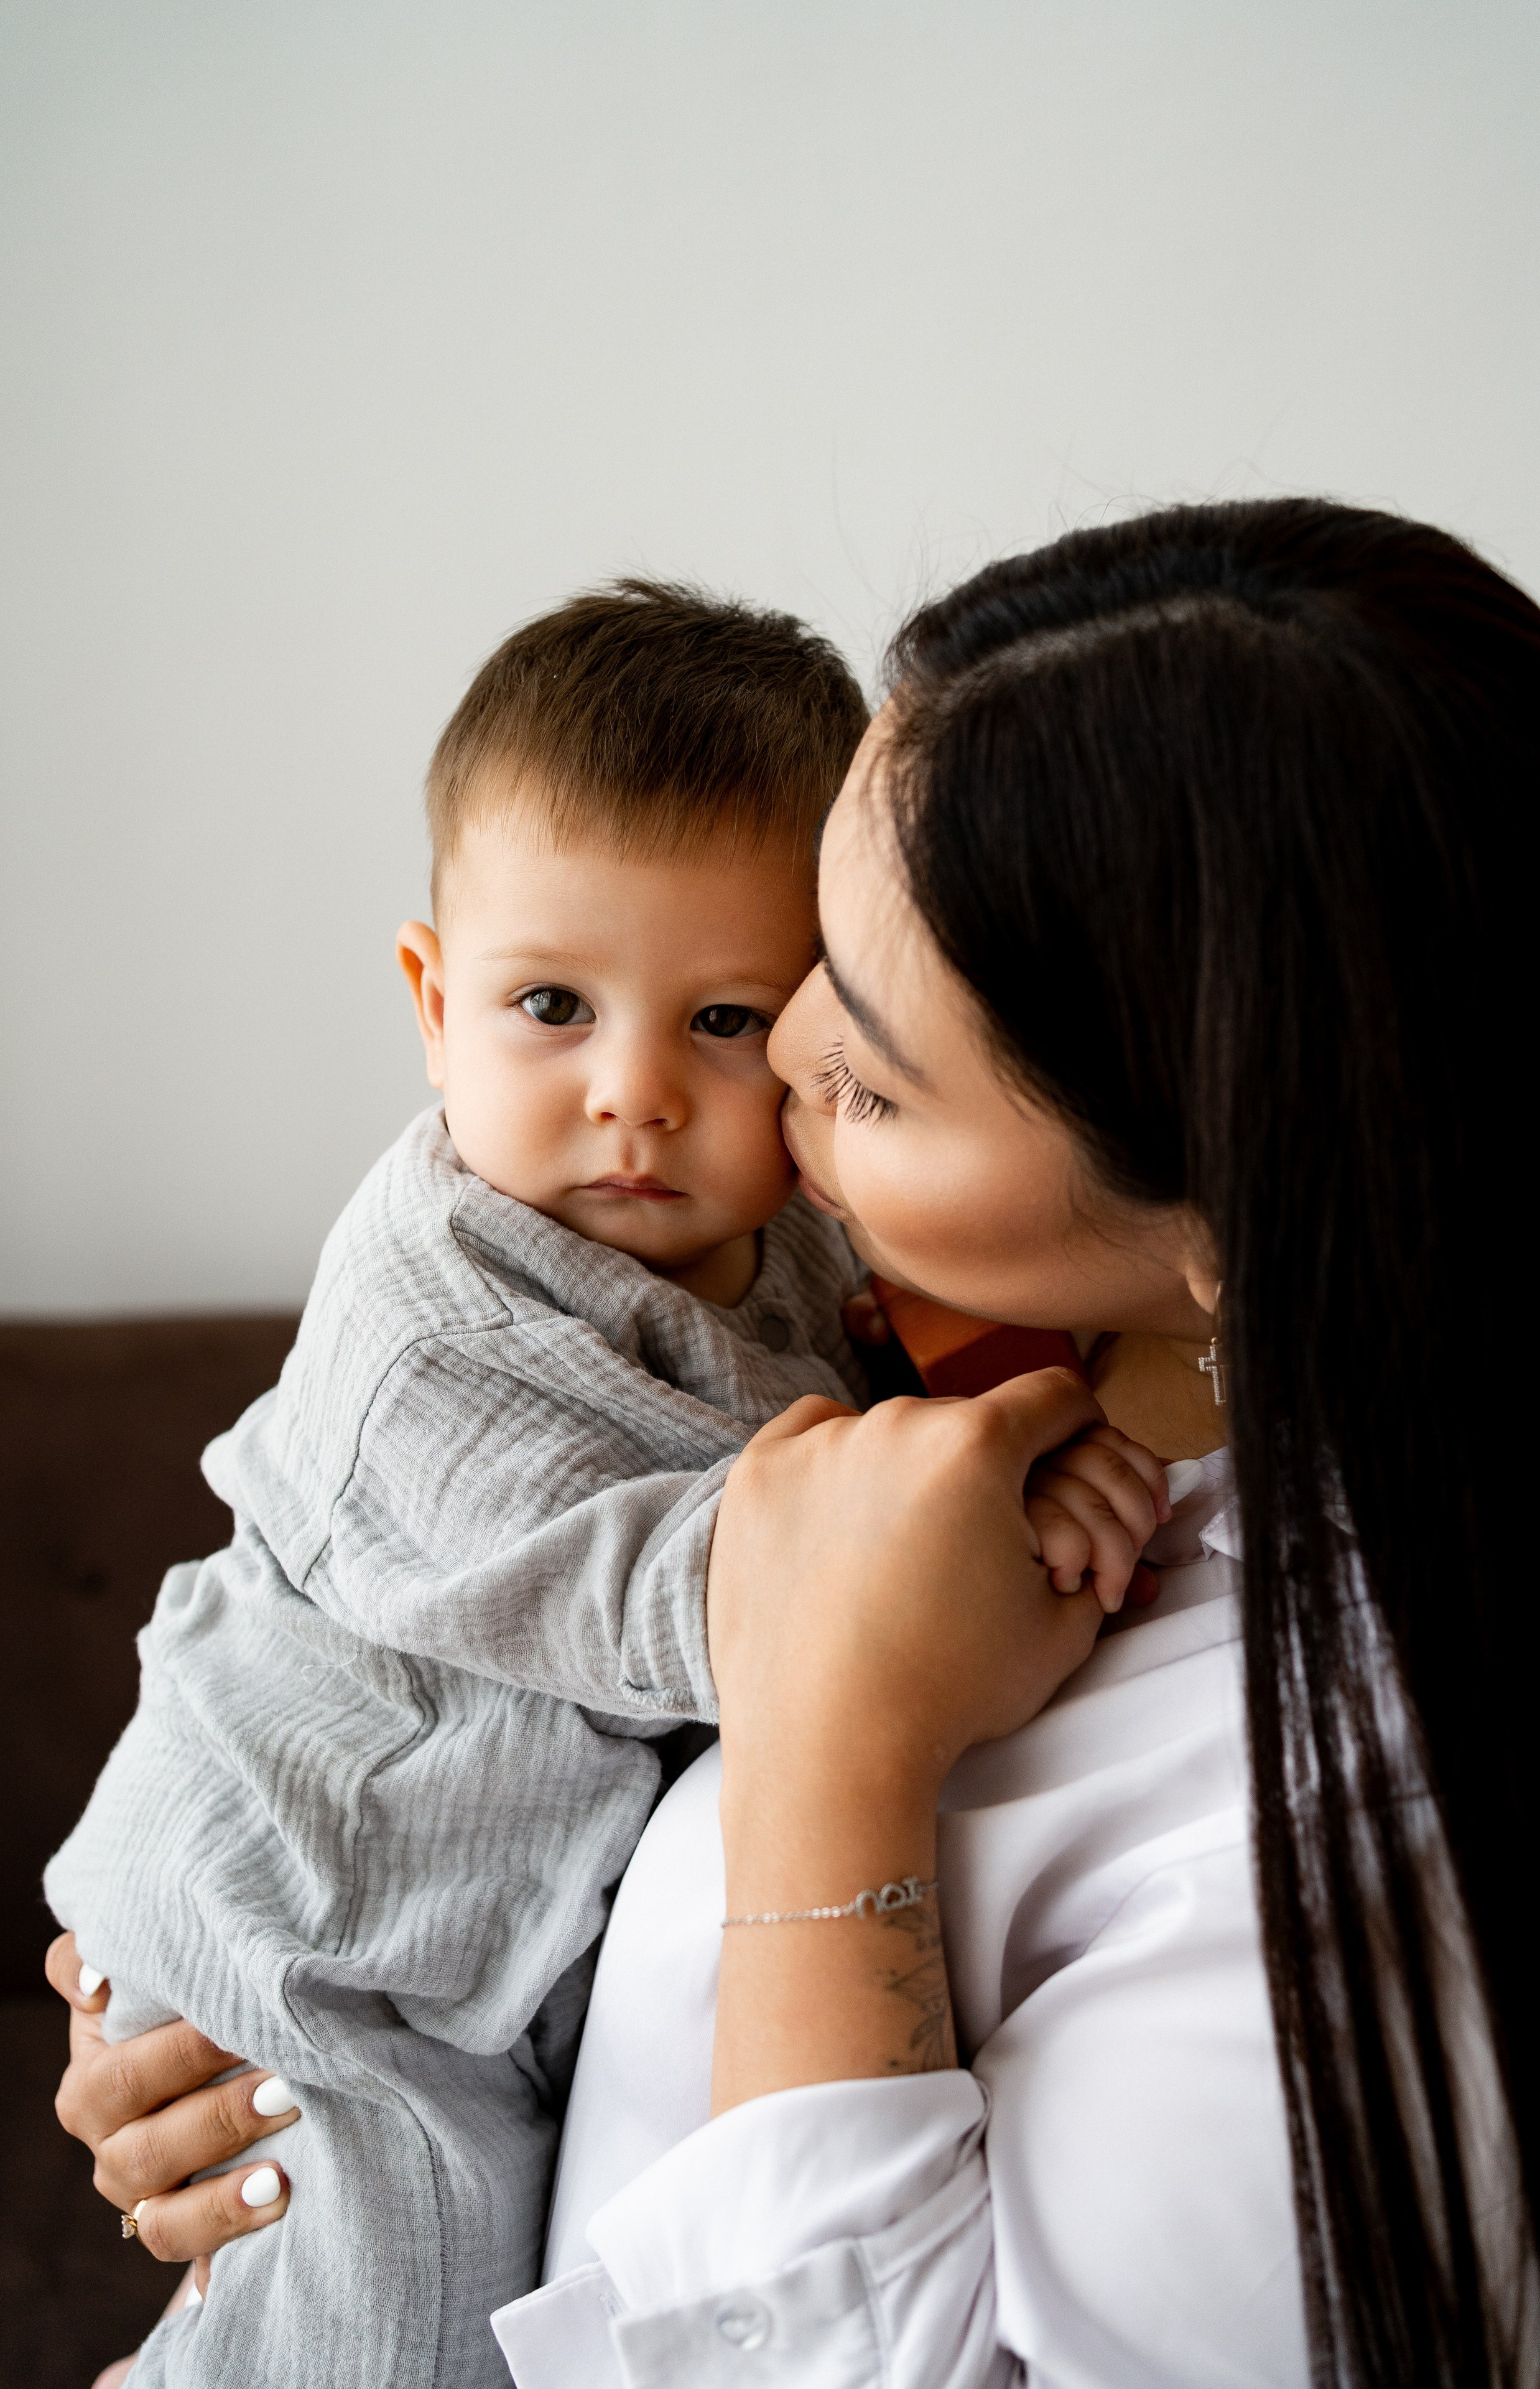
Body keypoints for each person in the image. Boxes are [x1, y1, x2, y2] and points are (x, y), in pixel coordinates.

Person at [52, 498, 1540, 2387]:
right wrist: (220, 1955)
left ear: (1230, 1206)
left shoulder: (1354, 1828)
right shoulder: (960, 1356)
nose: (739, 1088)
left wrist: (840, 1740)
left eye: (840, 1059)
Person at [47, 577, 1144, 2389]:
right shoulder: (427, 1322)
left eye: (725, 1022)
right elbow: (689, 1593)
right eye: (552, 1004)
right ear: (429, 998)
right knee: (392, 2323)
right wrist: (985, 1499)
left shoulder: (780, 1242)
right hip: (315, 1929)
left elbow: (860, 1385)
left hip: (474, 1937)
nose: (634, 1097)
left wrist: (1011, 1416)